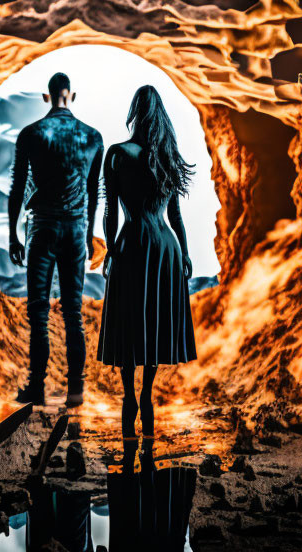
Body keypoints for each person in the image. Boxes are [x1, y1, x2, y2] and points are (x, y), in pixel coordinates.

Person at [97, 85, 197, 437]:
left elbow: (110, 212)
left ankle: (128, 396)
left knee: (128, 318)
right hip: (165, 247)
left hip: (132, 242)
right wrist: (184, 253)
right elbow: (177, 215)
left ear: (135, 111)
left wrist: (110, 249)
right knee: (153, 321)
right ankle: (147, 393)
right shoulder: (166, 155)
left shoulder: (117, 154)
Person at [8, 72, 103, 407]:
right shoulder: (93, 137)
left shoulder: (31, 134)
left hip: (42, 228)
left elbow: (17, 188)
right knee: (73, 313)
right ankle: (75, 391)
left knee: (39, 312)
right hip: (77, 229)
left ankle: (37, 388)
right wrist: (90, 235)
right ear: (71, 96)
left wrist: (11, 235)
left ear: (47, 97)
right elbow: (93, 194)